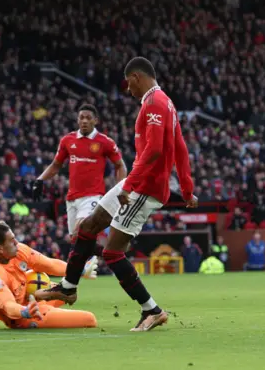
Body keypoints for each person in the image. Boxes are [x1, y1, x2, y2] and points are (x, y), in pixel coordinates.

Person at [43, 57, 197, 332]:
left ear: (136, 77)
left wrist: (128, 186)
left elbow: (155, 151)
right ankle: (68, 288)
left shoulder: (155, 104)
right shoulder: (166, 103)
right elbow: (180, 147)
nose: (128, 90)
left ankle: (152, 310)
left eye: (129, 84)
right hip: (136, 181)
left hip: (144, 187)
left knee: (113, 252)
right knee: (88, 226)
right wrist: (186, 188)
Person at [0, 220, 98, 329]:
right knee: (89, 319)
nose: (17, 242)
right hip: (21, 315)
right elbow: (9, 306)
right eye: (12, 240)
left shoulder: (18, 250)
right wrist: (25, 311)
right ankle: (45, 308)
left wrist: (79, 270)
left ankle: (44, 298)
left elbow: (50, 265)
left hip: (26, 296)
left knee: (68, 290)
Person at [33, 103, 127, 238]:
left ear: (96, 121)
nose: (84, 121)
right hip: (71, 198)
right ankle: (95, 257)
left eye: (88, 118)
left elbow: (120, 165)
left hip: (93, 196)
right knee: (75, 240)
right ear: (77, 120)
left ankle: (95, 257)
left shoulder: (105, 142)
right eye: (81, 117)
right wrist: (40, 179)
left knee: (81, 229)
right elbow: (55, 165)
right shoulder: (67, 140)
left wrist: (121, 189)